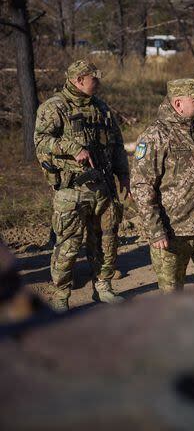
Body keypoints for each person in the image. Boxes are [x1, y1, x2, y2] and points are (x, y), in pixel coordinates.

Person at [34, 60, 130, 311]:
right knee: (68, 245)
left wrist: (124, 175)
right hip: (72, 191)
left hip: (104, 188)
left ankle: (103, 287)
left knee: (106, 241)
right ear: (79, 80)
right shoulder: (54, 107)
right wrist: (72, 147)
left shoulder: (101, 107)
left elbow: (117, 144)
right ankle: (62, 296)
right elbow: (41, 141)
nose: (98, 82)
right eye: (93, 78)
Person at [131, 79, 194, 292]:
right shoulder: (156, 136)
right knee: (172, 298)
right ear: (178, 104)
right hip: (172, 233)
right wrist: (155, 230)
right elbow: (141, 186)